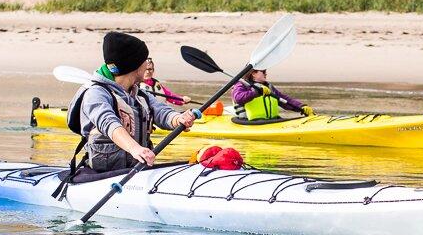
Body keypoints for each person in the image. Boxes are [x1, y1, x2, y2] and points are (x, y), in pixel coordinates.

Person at [62, 31, 199, 184]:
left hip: (136, 172)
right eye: (144, 60)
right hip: (102, 176)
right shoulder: (95, 94)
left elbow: (161, 111)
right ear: (134, 66)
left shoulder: (140, 94)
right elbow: (109, 123)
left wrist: (178, 118)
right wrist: (135, 149)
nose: (148, 65)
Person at [231, 68, 307, 124]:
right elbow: (238, 98)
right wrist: (256, 92)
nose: (266, 74)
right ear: (253, 73)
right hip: (252, 123)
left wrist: (301, 107)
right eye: (263, 72)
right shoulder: (241, 85)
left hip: (272, 121)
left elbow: (284, 100)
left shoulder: (269, 87)